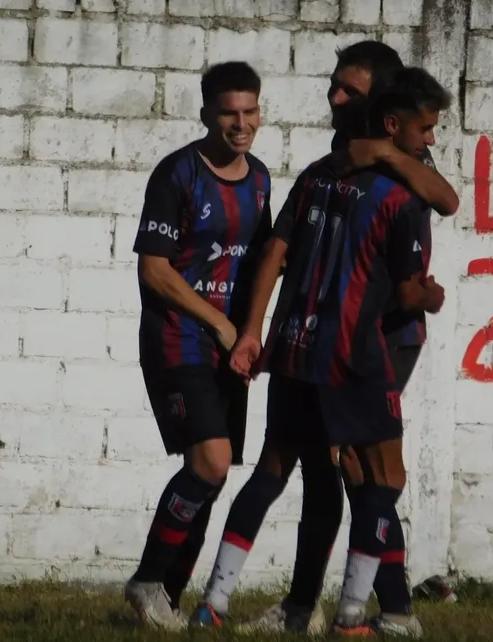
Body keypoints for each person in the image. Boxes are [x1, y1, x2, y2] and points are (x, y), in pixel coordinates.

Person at [191, 43, 456, 633]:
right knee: (358, 475)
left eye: (347, 90)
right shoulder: (346, 170)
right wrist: (429, 294)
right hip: (349, 348)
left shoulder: (382, 168)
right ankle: (346, 613)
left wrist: (258, 331)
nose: (333, 96)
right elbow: (286, 249)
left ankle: (254, 604)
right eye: (334, 85)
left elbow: (444, 199)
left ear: (383, 107)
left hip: (353, 340)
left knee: (337, 470)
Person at [124, 61, 273, 630]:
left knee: (213, 473)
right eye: (229, 113)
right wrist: (218, 323)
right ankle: (147, 582)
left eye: (250, 112)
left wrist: (250, 332)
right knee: (209, 462)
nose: (241, 124)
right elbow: (155, 271)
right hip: (178, 337)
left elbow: (261, 263)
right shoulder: (177, 174)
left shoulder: (260, 179)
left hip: (229, 346)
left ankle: (168, 596)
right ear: (207, 113)